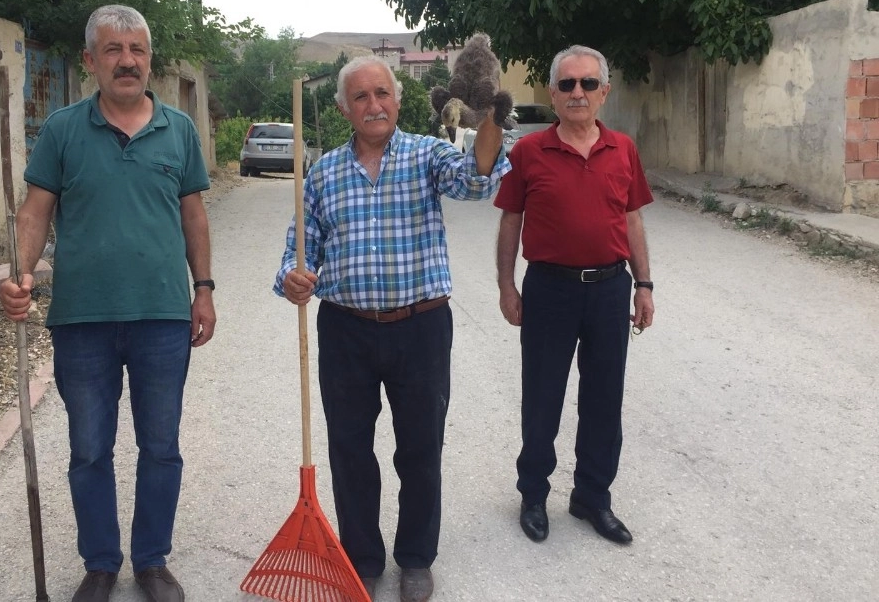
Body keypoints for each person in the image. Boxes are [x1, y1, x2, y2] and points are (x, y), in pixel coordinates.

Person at [0, 5, 216, 602]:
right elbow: (35, 211)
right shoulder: (63, 129)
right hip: (82, 319)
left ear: (149, 59)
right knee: (89, 446)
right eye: (114, 50)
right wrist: (21, 275)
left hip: (163, 316)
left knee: (161, 444)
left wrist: (204, 289)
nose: (127, 60)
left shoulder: (179, 130)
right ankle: (100, 562)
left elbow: (193, 214)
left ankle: (151, 561)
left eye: (138, 50)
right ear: (91, 61)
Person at [274, 55, 510, 602]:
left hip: (420, 328)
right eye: (361, 97)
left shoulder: (428, 155)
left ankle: (415, 558)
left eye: (382, 93)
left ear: (398, 101)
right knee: (351, 450)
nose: (374, 104)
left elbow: (478, 180)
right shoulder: (323, 172)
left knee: (420, 449)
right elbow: (298, 247)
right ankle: (363, 557)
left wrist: (491, 115)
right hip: (345, 329)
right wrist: (293, 277)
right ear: (342, 108)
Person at [494, 45, 654, 547]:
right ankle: (534, 494)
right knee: (542, 396)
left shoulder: (623, 150)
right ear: (553, 93)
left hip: (610, 289)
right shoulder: (528, 152)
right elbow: (510, 220)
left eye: (587, 84)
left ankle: (592, 497)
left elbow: (632, 219)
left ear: (604, 91)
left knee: (605, 399)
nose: (577, 93)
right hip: (549, 290)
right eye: (567, 84)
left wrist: (644, 284)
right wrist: (506, 284)